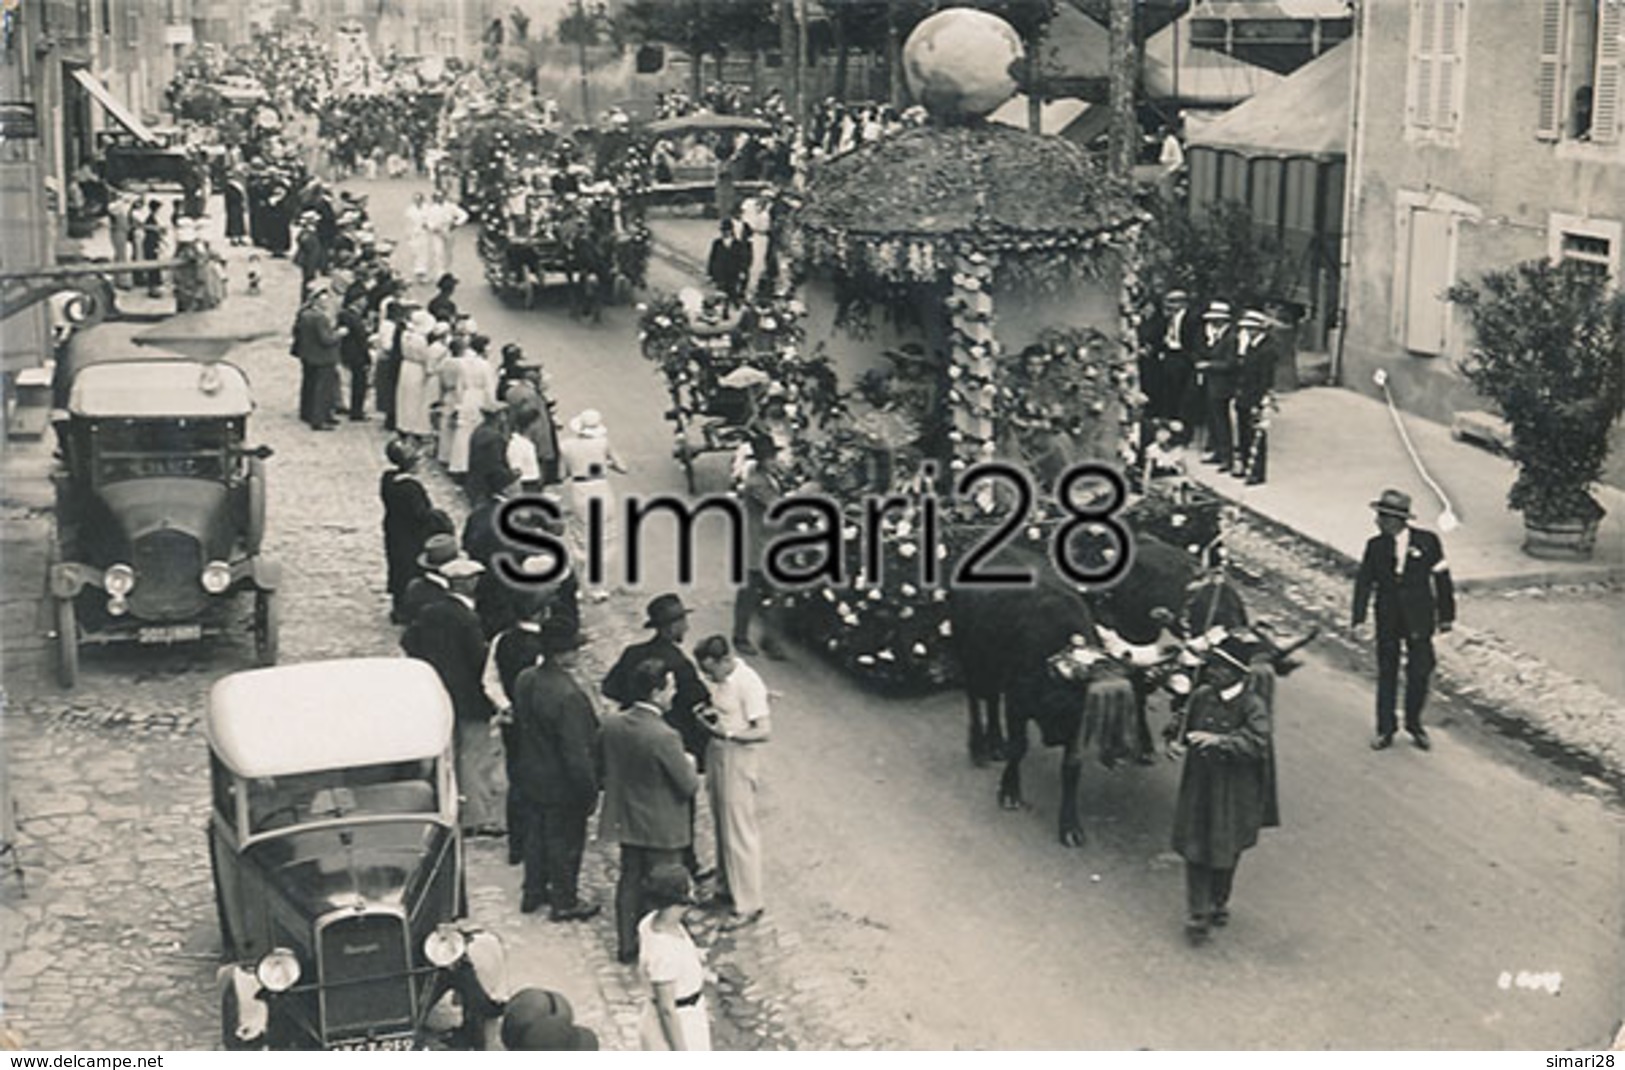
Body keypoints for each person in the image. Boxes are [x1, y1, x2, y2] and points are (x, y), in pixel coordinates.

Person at [1168, 636, 1279, 945]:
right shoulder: (1202, 695)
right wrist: (1175, 742)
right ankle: (1198, 914)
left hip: (1233, 790)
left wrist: (1220, 741)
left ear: (1237, 673)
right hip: (1200, 785)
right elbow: (1181, 725)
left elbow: (1257, 743)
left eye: (1219, 668)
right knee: (1195, 847)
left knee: (1225, 850)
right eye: (1211, 665)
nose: (1211, 672)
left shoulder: (1252, 705)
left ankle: (1219, 900)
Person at [596, 659, 702, 965]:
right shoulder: (664, 736)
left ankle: (627, 944)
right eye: (670, 688)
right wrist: (690, 764)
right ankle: (658, 950)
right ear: (657, 692)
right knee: (664, 890)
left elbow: (601, 765)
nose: (673, 693)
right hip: (662, 825)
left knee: (629, 880)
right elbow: (688, 785)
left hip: (627, 819)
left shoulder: (613, 724)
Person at [603, 593, 713, 881]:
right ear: (671, 626)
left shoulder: (632, 653)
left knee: (636, 798)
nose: (686, 628)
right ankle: (684, 865)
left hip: (633, 736)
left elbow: (610, 688)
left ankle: (638, 863)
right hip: (670, 743)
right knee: (677, 807)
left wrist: (632, 702)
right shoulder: (679, 664)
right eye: (682, 622)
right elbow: (700, 702)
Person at [402, 555, 505, 837]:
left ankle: (448, 806)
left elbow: (409, 641)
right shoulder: (468, 618)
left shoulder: (430, 611)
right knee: (473, 757)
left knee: (448, 753)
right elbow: (479, 661)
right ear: (467, 583)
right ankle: (475, 817)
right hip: (470, 698)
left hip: (439, 692)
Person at [511, 622, 602, 921]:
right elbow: (576, 754)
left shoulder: (525, 679)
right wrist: (589, 791)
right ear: (563, 654)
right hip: (561, 783)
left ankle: (533, 892)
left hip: (530, 773)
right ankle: (565, 900)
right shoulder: (569, 695)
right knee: (565, 841)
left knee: (535, 835)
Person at [1352, 489, 1456, 752]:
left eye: (1382, 517)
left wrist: (1446, 616)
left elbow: (1442, 579)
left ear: (1397, 520)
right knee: (1387, 673)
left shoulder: (1428, 542)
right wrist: (1358, 618)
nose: (1378, 521)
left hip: (1419, 618)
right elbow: (1364, 582)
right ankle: (1385, 729)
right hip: (1388, 617)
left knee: (1420, 671)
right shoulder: (1375, 547)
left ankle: (1414, 723)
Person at [693, 635, 770, 931]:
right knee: (722, 824)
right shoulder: (726, 680)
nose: (708, 676)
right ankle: (725, 888)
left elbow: (763, 731)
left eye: (710, 669)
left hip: (737, 756)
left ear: (725, 660)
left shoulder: (747, 681)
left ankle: (749, 903)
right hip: (719, 753)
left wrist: (728, 734)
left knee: (739, 829)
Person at [636, 864, 711, 1051]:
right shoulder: (665, 950)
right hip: (681, 1024)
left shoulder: (651, 921)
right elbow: (667, 1009)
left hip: (685, 1014)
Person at [558, 409, 628, 602]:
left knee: (580, 539)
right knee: (603, 538)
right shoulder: (603, 443)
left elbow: (561, 474)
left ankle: (579, 587)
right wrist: (605, 463)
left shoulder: (566, 446)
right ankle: (598, 587)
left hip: (579, 490)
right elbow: (623, 467)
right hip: (601, 488)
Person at [733, 434, 789, 660]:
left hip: (768, 544)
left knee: (776, 593)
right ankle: (740, 636)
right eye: (771, 457)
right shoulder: (757, 482)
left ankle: (769, 639)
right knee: (749, 594)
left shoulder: (769, 477)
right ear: (762, 460)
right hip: (755, 546)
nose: (775, 460)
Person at [380, 439, 437, 624]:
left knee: (397, 566)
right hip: (411, 533)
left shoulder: (388, 479)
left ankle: (398, 605)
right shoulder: (411, 488)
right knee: (410, 568)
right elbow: (421, 513)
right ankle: (408, 609)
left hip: (394, 530)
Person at [1138, 289, 1198, 444]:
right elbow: (1161, 339)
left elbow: (1193, 342)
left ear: (1182, 303)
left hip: (1183, 360)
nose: (1169, 306)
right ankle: (1170, 432)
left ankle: (1184, 435)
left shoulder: (1191, 319)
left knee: (1184, 400)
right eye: (1168, 302)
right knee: (1169, 397)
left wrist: (1189, 359)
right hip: (1169, 359)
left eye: (1173, 302)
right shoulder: (1168, 319)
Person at [1233, 309, 1280, 485]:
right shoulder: (1251, 346)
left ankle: (1257, 472)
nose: (1248, 332)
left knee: (1256, 434)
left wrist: (1260, 399)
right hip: (1244, 395)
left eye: (1252, 328)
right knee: (1244, 432)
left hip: (1256, 397)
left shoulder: (1267, 350)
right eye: (1246, 328)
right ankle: (1245, 465)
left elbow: (1265, 378)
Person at [293, 278, 345, 430]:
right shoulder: (319, 318)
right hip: (323, 357)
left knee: (310, 385)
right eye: (324, 298)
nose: (326, 301)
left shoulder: (304, 314)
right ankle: (319, 419)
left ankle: (308, 413)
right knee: (323, 389)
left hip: (308, 355)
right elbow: (326, 339)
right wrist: (339, 334)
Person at [1194, 300, 1238, 471]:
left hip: (1223, 385)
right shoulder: (1217, 336)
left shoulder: (1231, 338)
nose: (1212, 322)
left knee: (1222, 420)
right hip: (1211, 383)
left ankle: (1227, 457)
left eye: (1216, 319)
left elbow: (1231, 363)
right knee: (1213, 419)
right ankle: (1217, 452)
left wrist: (1209, 365)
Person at [395, 309, 441, 446]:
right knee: (416, 399)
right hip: (417, 368)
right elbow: (424, 357)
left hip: (406, 367)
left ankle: (403, 424)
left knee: (405, 397)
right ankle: (414, 426)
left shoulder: (406, 334)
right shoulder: (420, 339)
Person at [338, 286, 372, 422]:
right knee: (359, 383)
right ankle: (356, 411)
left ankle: (355, 409)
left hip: (350, 353)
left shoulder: (345, 315)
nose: (365, 302)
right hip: (356, 354)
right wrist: (367, 357)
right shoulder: (352, 317)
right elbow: (360, 339)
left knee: (356, 383)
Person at [706, 218, 751, 313]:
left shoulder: (738, 245)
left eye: (727, 230)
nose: (725, 233)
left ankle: (736, 310)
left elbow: (742, 260)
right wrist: (710, 273)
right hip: (720, 274)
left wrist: (742, 271)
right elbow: (712, 259)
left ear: (731, 231)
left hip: (733, 274)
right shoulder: (717, 243)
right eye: (723, 231)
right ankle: (721, 312)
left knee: (733, 293)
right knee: (721, 295)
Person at [405, 191, 431, 282]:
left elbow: (431, 219)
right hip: (414, 234)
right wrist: (408, 235)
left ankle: (423, 272)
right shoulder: (410, 210)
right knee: (415, 253)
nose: (418, 201)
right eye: (416, 199)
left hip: (424, 234)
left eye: (419, 199)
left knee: (424, 254)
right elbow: (408, 224)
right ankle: (417, 272)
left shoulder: (427, 208)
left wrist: (428, 225)